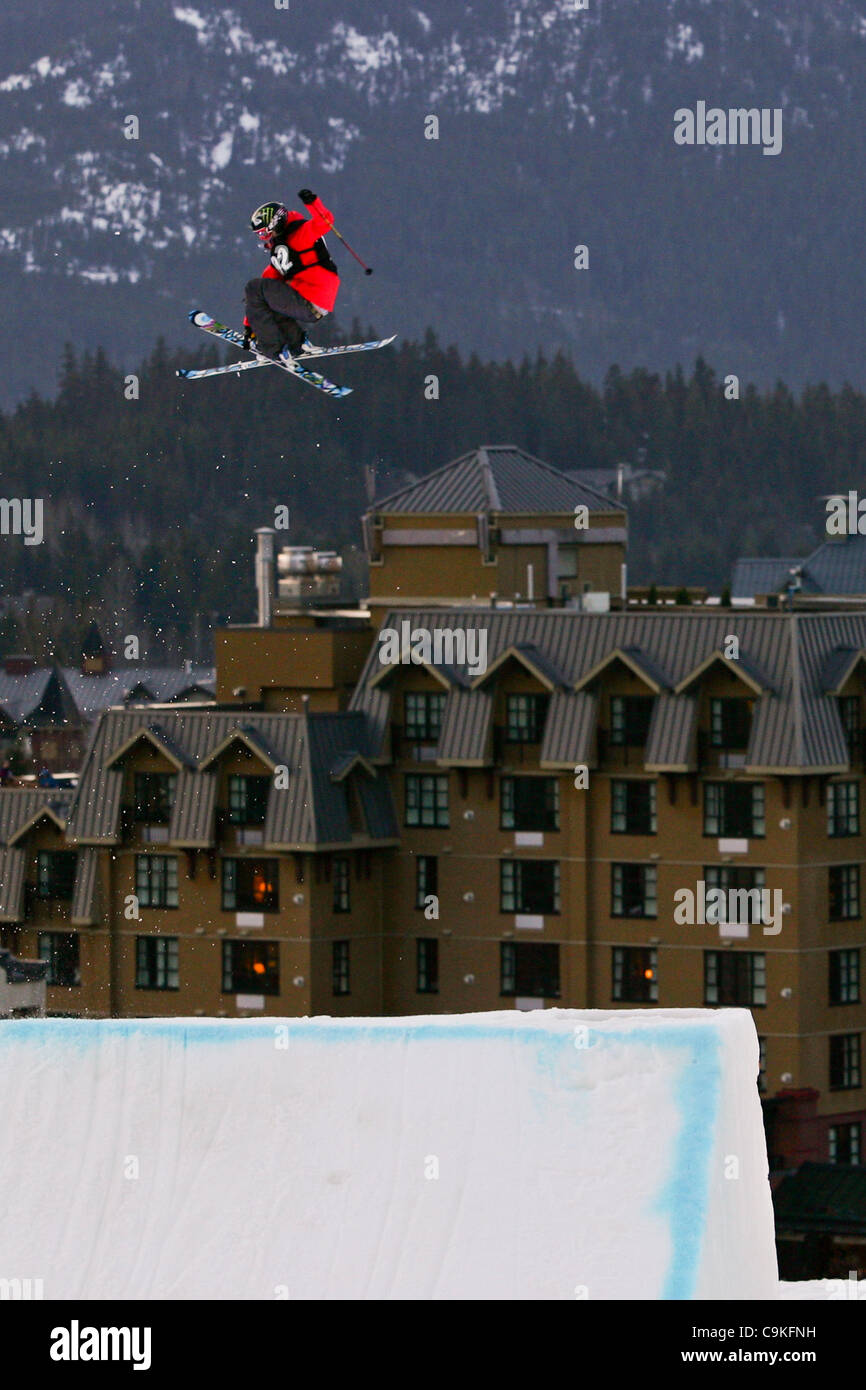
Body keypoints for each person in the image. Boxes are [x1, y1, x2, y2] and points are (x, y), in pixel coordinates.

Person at [243, 191, 341, 360]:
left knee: (254, 288)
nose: (263, 239)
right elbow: (267, 288)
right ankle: (298, 344)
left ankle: (272, 349)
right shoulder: (282, 247)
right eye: (259, 235)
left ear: (276, 223)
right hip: (317, 300)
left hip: (311, 296)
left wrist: (313, 203)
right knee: (266, 294)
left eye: (264, 233)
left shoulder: (301, 233)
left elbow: (325, 223)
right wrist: (250, 325)